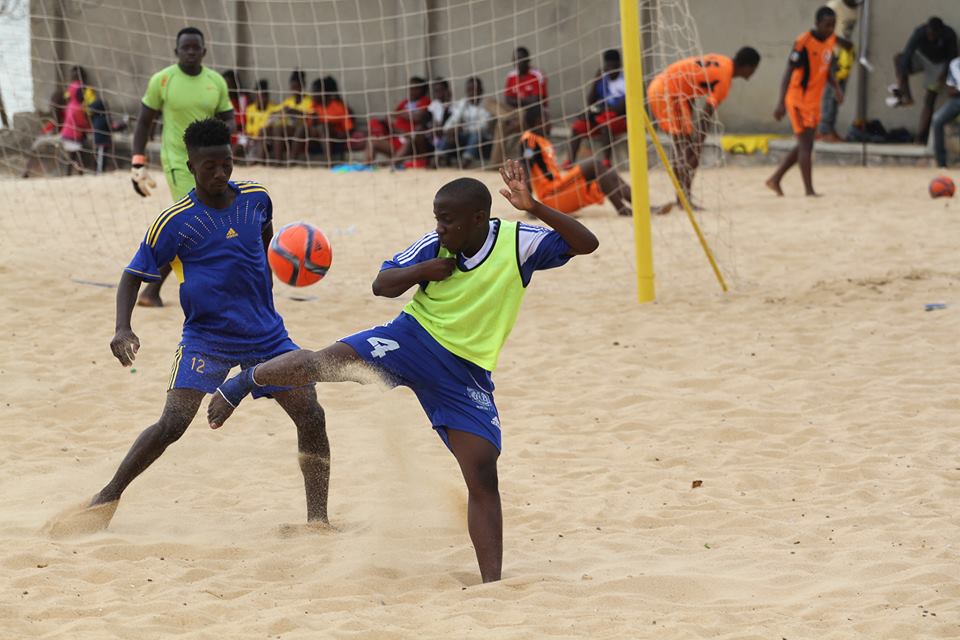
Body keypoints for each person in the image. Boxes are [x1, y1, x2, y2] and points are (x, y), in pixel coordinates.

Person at [206, 159, 599, 583]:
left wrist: (534, 206)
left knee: (483, 473)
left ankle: (492, 587)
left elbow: (586, 243)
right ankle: (244, 382)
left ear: (478, 218)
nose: (440, 228)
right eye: (437, 219)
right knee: (321, 362)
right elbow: (382, 283)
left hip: (464, 371)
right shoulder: (434, 246)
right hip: (410, 339)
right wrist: (422, 272)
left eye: (447, 221)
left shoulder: (518, 241)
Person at [87, 118, 329, 530]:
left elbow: (267, 239)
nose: (220, 173)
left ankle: (318, 520)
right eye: (209, 167)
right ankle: (104, 500)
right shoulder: (176, 221)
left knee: (311, 415)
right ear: (190, 165)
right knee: (172, 424)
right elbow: (132, 275)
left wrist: (273, 277)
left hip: (267, 334)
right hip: (206, 339)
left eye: (226, 164)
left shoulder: (256, 198)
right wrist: (122, 328)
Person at [130, 26, 235, 308]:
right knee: (193, 220)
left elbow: (229, 118)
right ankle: (157, 288)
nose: (190, 51)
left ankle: (154, 290)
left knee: (205, 221)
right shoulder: (162, 81)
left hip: (211, 164)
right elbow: (143, 121)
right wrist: (137, 161)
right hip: (179, 162)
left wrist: (223, 154)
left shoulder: (216, 82)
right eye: (185, 47)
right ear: (176, 51)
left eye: (195, 47)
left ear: (204, 51)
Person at [648, 46, 761, 211]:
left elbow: (691, 84)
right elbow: (706, 115)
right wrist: (698, 144)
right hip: (666, 92)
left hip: (671, 91)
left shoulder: (722, 61)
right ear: (749, 66)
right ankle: (683, 200)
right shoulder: (725, 79)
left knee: (686, 149)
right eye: (754, 69)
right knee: (685, 150)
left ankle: (683, 198)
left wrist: (694, 138)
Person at [767, 7, 840, 197]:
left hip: (814, 102)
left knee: (805, 144)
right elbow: (788, 72)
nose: (830, 29)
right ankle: (809, 190)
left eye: (833, 25)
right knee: (807, 144)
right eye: (827, 25)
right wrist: (781, 102)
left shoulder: (831, 41)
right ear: (817, 24)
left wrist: (837, 87)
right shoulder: (803, 42)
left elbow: (827, 67)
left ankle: (775, 179)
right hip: (798, 99)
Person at [520, 105, 632, 216]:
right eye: (547, 119)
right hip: (551, 194)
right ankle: (621, 209)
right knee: (594, 164)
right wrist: (529, 206)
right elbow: (525, 167)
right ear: (538, 122)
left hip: (560, 189)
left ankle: (639, 205)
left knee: (608, 173)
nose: (550, 122)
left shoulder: (542, 140)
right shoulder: (530, 140)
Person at [892, 17, 959, 144]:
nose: (930, 37)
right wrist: (900, 80)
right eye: (929, 34)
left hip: (940, 65)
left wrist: (945, 75)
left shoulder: (949, 35)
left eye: (934, 35)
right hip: (923, 59)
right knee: (898, 59)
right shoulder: (920, 32)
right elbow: (908, 52)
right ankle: (906, 97)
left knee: (929, 99)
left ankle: (920, 137)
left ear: (940, 31)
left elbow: (952, 58)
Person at [488, 46, 548, 166]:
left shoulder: (536, 75)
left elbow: (536, 100)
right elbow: (507, 99)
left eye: (520, 59)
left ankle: (495, 163)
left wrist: (518, 101)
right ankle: (495, 164)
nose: (517, 62)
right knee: (488, 102)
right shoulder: (511, 76)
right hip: (512, 113)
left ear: (527, 60)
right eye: (515, 59)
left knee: (513, 117)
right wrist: (524, 100)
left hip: (528, 115)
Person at [569, 49, 627, 164]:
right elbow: (590, 101)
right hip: (602, 117)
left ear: (619, 65)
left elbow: (621, 109)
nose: (609, 68)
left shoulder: (625, 80)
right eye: (607, 65)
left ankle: (606, 161)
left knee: (605, 124)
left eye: (612, 65)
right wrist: (596, 79)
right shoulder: (602, 79)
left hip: (621, 120)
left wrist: (600, 110)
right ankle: (570, 162)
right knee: (577, 126)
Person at [818, 0, 860, 142]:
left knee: (837, 95)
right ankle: (824, 130)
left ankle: (830, 128)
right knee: (830, 93)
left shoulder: (854, 8)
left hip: (843, 56)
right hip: (831, 54)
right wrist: (843, 43)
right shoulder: (834, 7)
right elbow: (822, 31)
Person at [365, 76, 431, 167]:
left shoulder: (426, 101)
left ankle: (390, 166)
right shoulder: (405, 102)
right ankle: (366, 166)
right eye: (410, 88)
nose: (411, 91)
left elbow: (418, 117)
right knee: (372, 141)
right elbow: (390, 117)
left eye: (415, 88)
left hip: (412, 141)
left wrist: (400, 114)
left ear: (423, 90)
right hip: (396, 137)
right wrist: (401, 121)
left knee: (409, 139)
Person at [441, 77, 492, 168]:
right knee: (449, 134)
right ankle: (439, 156)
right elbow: (453, 119)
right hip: (465, 136)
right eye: (469, 90)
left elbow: (484, 126)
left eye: (474, 89)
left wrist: (463, 129)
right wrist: (448, 129)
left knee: (476, 135)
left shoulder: (487, 104)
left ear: (481, 90)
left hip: (483, 139)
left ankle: (466, 160)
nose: (472, 92)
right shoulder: (464, 103)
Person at [264, 69, 313, 164]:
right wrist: (282, 111)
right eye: (292, 87)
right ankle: (278, 162)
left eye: (296, 87)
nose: (294, 89)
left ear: (302, 86)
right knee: (277, 129)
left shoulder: (309, 100)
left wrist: (296, 112)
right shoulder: (289, 101)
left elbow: (311, 115)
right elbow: (273, 111)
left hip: (305, 130)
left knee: (300, 129)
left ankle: (292, 161)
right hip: (291, 128)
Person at [307, 75, 354, 164]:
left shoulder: (338, 107)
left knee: (324, 126)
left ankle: (328, 162)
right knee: (302, 128)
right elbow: (309, 125)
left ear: (323, 93)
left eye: (315, 92)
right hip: (314, 140)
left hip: (333, 140)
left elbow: (349, 129)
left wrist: (341, 135)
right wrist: (314, 120)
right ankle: (291, 161)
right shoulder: (313, 106)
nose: (312, 95)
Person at [932, 56, 960, 168]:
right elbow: (950, 90)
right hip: (957, 99)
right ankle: (941, 162)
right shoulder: (955, 63)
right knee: (937, 119)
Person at [59, 75, 90, 175]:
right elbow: (82, 123)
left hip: (66, 135)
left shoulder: (70, 105)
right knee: (78, 156)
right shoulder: (77, 108)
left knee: (72, 157)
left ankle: (69, 173)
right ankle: (80, 173)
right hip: (74, 136)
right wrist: (89, 127)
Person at [243, 79, 276, 163]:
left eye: (264, 96)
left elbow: (270, 127)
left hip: (266, 140)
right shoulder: (250, 109)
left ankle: (258, 165)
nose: (262, 99)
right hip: (251, 138)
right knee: (239, 143)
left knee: (262, 140)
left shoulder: (273, 108)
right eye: (259, 96)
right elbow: (248, 130)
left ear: (267, 96)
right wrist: (250, 138)